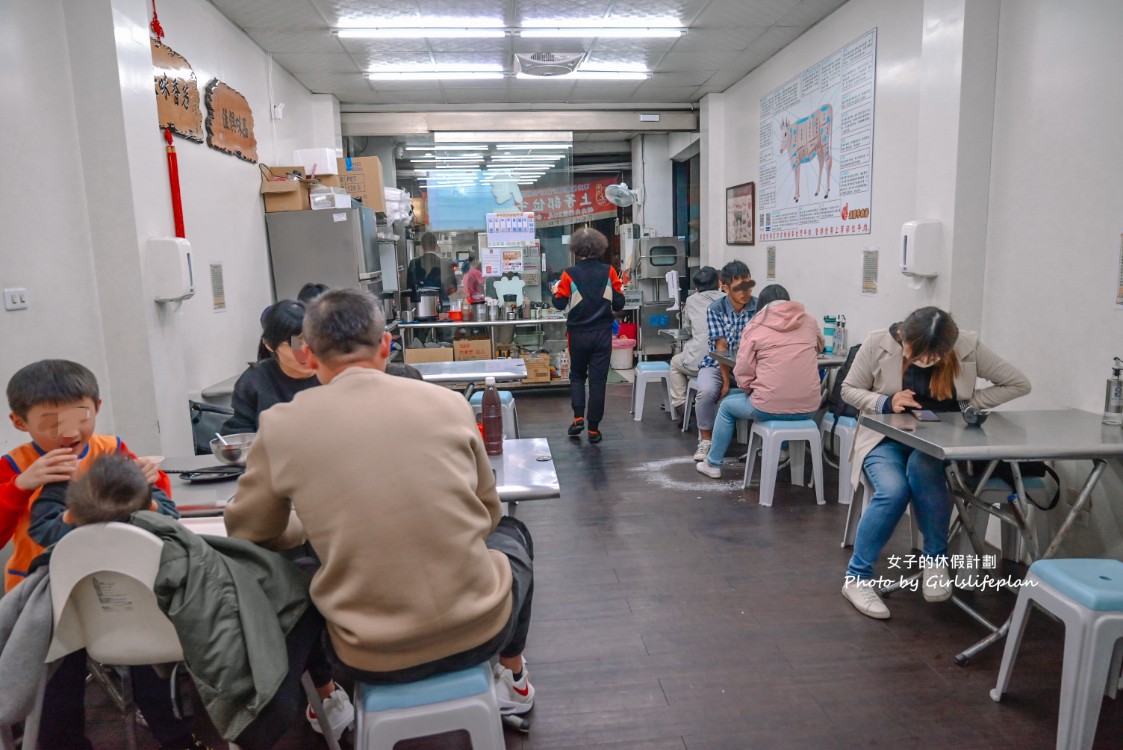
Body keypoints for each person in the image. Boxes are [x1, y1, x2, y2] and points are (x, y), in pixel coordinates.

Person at [224, 289, 535, 716]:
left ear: (310, 356)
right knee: (513, 534)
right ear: (386, 345)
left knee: (295, 571)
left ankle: (327, 697)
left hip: (365, 654)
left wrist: (311, 527)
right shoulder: (449, 404)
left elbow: (249, 531)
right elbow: (488, 514)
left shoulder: (279, 426)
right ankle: (512, 675)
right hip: (479, 632)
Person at [0, 363, 208, 750]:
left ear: (97, 406)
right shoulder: (14, 466)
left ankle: (179, 738)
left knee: (151, 665)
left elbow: (154, 506)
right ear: (19, 421)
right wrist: (19, 487)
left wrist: (153, 479)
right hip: (48, 600)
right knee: (55, 695)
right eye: (50, 422)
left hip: (123, 588)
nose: (68, 432)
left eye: (82, 418)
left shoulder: (111, 450)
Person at [839, 307, 1031, 619]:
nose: (927, 362)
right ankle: (856, 578)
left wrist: (964, 406)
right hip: (884, 439)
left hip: (936, 444)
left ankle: (935, 561)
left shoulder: (967, 346)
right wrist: (885, 402)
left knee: (923, 468)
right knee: (893, 490)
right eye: (920, 355)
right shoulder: (878, 343)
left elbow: (1018, 384)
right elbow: (848, 390)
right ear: (904, 337)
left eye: (935, 356)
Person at [696, 284, 823, 478]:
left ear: (761, 305)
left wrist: (749, 389)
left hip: (768, 406)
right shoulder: (810, 322)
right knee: (787, 398)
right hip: (810, 408)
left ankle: (712, 463)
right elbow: (819, 347)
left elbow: (743, 370)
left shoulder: (755, 326)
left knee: (727, 407)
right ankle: (782, 449)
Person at [551, 227, 626, 444]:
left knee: (576, 376)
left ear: (576, 250)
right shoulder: (609, 271)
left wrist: (555, 290)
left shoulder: (569, 274)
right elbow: (620, 302)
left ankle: (577, 418)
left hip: (578, 334)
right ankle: (593, 430)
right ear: (600, 248)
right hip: (602, 334)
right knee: (597, 381)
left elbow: (559, 304)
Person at [691, 261, 758, 462]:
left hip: (750, 366)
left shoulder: (758, 307)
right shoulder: (716, 308)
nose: (745, 292)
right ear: (725, 287)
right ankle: (706, 440)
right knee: (707, 391)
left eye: (748, 285)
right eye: (739, 287)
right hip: (717, 364)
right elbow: (721, 347)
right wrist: (726, 381)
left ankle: (761, 444)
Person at [225, 300, 319, 434]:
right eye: (296, 344)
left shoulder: (335, 373)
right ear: (269, 345)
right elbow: (240, 432)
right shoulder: (255, 380)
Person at [668, 266, 724, 419]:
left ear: (696, 287)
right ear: (719, 283)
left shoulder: (691, 301)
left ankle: (680, 405)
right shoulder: (727, 299)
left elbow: (688, 328)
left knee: (675, 363)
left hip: (698, 363)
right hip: (726, 365)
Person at [406, 231, 457, 304]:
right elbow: (453, 288)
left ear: (422, 247)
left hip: (420, 306)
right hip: (442, 304)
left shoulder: (413, 263)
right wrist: (441, 293)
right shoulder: (447, 263)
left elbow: (410, 288)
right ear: (436, 246)